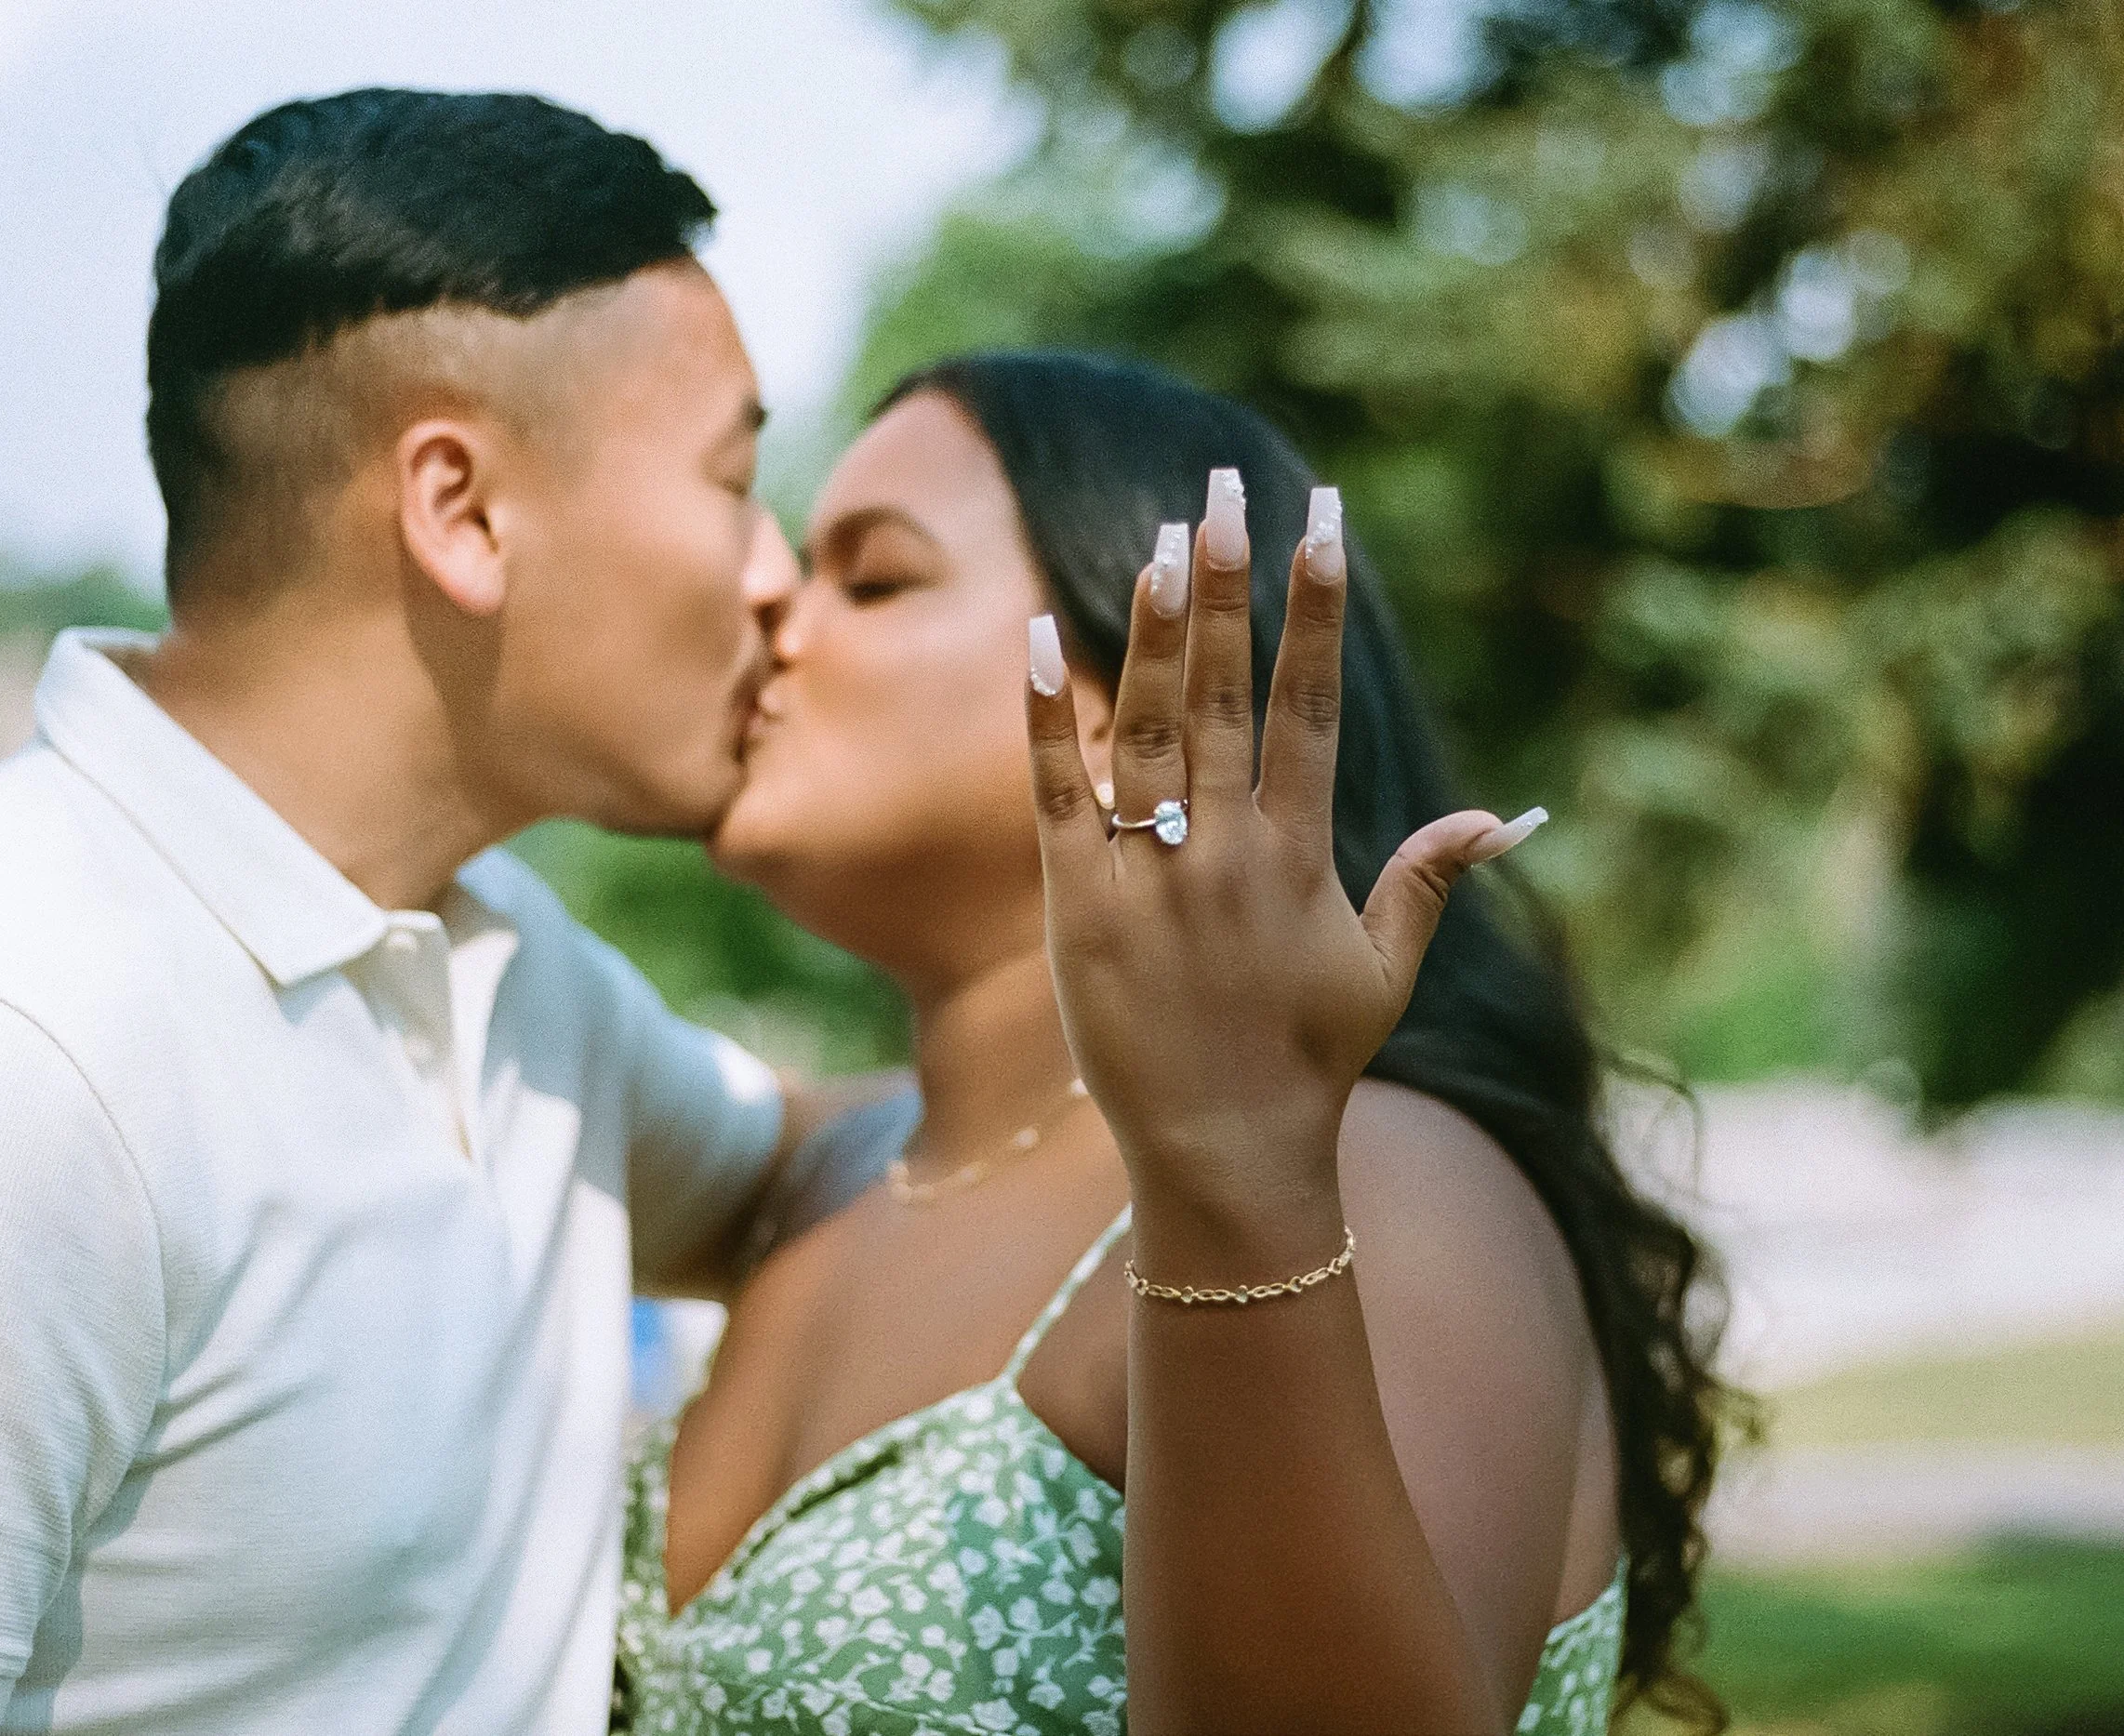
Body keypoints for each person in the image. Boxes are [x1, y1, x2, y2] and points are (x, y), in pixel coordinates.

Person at [0, 89, 881, 1736]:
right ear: (461, 510)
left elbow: (819, 1159)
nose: (776, 576)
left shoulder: (503, 963)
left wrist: (1235, 1082)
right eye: (736, 481)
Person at [616, 352, 1739, 1734]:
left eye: (874, 576)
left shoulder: (1382, 1176)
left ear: (1141, 691)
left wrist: (1235, 1175)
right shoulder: (816, 1167)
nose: (773, 601)